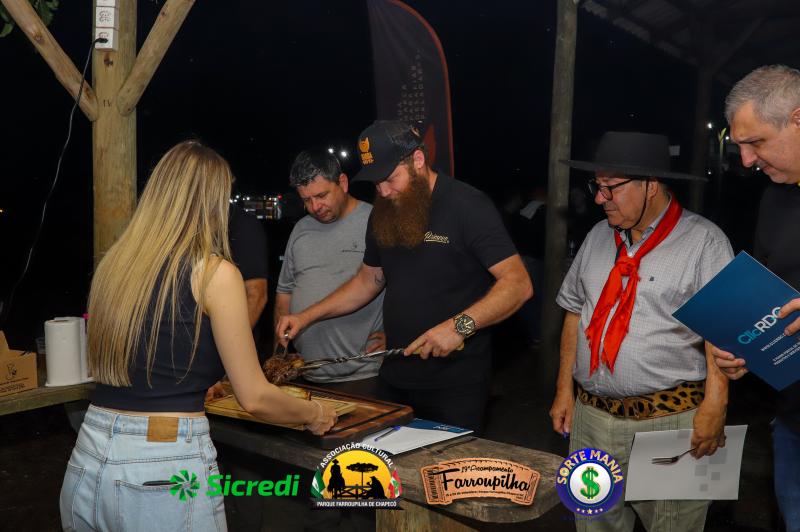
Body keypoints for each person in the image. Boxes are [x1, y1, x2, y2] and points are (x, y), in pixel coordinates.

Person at [58, 140, 336, 532]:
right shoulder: (214, 273)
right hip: (162, 468)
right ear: (211, 201)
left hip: (88, 457)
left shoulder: (114, 267)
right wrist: (314, 414)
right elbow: (255, 398)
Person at [277, 120, 533, 433]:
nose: (383, 191)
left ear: (418, 160)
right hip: (394, 377)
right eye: (376, 183)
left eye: (390, 178)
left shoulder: (467, 205)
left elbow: (518, 284)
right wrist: (304, 317)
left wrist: (459, 327)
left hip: (454, 384)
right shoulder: (383, 211)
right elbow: (366, 282)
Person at [549, 131, 731, 532]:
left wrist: (715, 406)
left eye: (611, 187)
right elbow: (575, 312)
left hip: (670, 423)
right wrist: (564, 390)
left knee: (673, 525)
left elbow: (723, 331)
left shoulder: (704, 242)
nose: (600, 199)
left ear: (650, 185)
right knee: (592, 524)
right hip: (591, 421)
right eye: (596, 186)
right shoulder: (598, 237)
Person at [713, 64, 800, 532]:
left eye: (757, 143)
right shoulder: (774, 198)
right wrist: (741, 347)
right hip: (793, 419)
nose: (746, 160)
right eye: (739, 146)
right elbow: (767, 295)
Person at [275, 149, 385, 394]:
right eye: (306, 200)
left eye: (321, 195)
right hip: (305, 374)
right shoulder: (301, 229)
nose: (315, 207)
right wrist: (279, 353)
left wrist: (398, 335)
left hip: (363, 374)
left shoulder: (375, 221)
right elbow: (285, 292)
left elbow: (405, 284)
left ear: (342, 183)